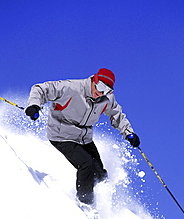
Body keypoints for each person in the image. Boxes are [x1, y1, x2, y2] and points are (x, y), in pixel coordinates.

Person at [25, 68, 140, 209]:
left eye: (107, 90)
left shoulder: (105, 99)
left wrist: (128, 133)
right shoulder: (72, 88)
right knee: (86, 165)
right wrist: (34, 105)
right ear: (94, 80)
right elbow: (41, 89)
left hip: (84, 138)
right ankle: (85, 205)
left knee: (100, 175)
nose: (101, 92)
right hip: (62, 135)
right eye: (100, 87)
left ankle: (99, 207)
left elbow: (117, 114)